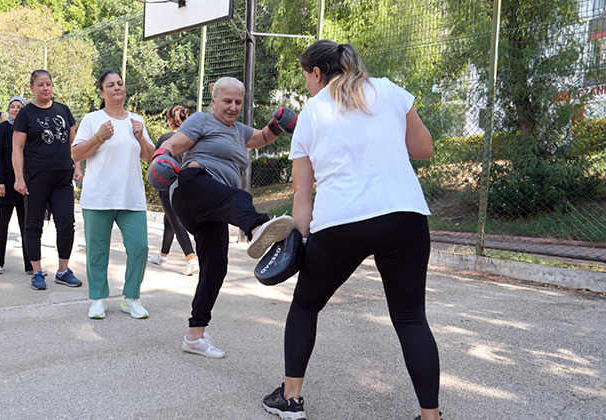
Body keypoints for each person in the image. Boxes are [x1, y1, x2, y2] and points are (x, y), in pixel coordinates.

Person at [261, 40, 439, 420]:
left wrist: (301, 241)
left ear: (317, 73)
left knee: (306, 305)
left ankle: (291, 400)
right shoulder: (388, 91)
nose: (307, 85)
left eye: (305, 77)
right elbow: (424, 149)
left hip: (340, 222)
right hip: (403, 215)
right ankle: (431, 417)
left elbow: (302, 195)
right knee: (411, 319)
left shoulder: (311, 112)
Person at [154, 76, 297, 359]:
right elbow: (175, 143)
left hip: (214, 204)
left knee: (215, 268)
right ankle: (258, 228)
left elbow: (261, 137)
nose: (233, 107)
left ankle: (195, 336)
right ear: (214, 101)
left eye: (238, 102)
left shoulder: (238, 131)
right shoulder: (202, 120)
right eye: (227, 101)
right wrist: (162, 156)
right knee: (240, 197)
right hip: (193, 186)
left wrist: (277, 124)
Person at [72, 70, 155, 320]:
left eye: (120, 83)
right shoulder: (92, 119)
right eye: (110, 85)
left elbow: (150, 157)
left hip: (131, 197)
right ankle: (98, 299)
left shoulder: (136, 120)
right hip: (99, 197)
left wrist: (141, 137)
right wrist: (99, 136)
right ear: (101, 92)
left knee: (139, 247)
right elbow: (76, 154)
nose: (117, 87)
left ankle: (131, 298)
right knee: (97, 251)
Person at [12, 69, 83, 291]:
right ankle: (37, 272)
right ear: (32, 88)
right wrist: (19, 178)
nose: (45, 88)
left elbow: (74, 143)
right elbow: (17, 148)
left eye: (48, 84)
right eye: (40, 85)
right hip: (36, 178)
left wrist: (77, 166)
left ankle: (63, 271)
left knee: (66, 224)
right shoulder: (26, 114)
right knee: (34, 225)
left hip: (62, 178)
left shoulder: (63, 110)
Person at [148, 105, 199, 276]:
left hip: (167, 186)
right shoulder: (192, 139)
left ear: (171, 120)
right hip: (187, 185)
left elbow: (156, 162)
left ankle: (191, 259)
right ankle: (163, 256)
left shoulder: (165, 138)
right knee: (169, 220)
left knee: (176, 222)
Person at [0, 96, 32, 275]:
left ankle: (32, 265)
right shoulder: (1, 129)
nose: (15, 109)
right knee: (0, 226)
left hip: (25, 186)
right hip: (4, 186)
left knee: (28, 226)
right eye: (12, 106)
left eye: (19, 107)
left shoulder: (30, 130)